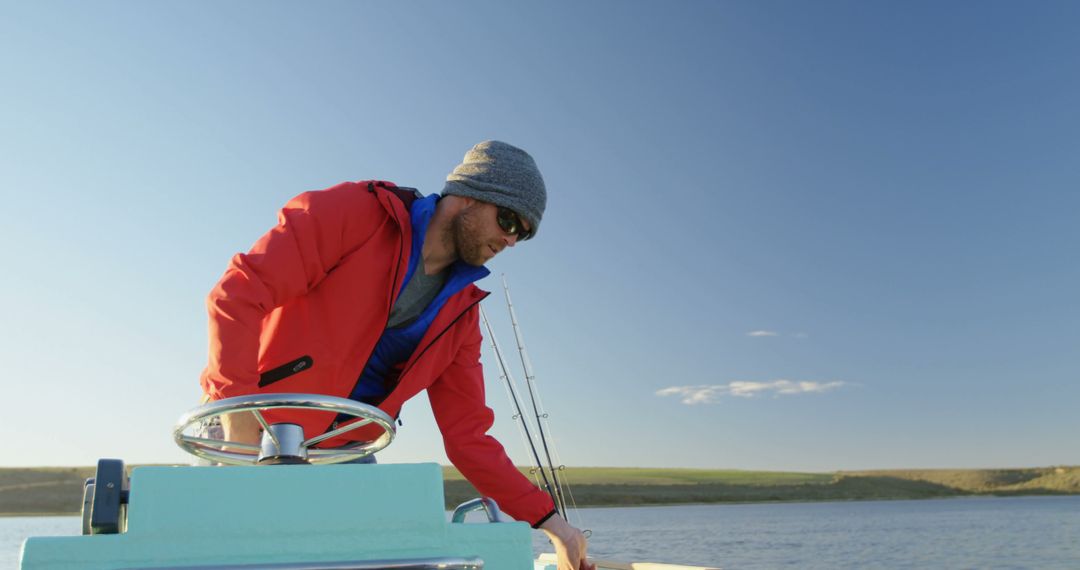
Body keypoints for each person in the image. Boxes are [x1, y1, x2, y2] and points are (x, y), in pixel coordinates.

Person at [199, 140, 594, 570]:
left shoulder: (461, 316)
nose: (511, 239)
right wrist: (238, 418)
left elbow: (468, 438)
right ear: (467, 194)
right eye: (507, 220)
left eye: (524, 232)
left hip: (344, 453)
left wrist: (554, 524)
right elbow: (237, 294)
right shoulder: (359, 212)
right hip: (255, 429)